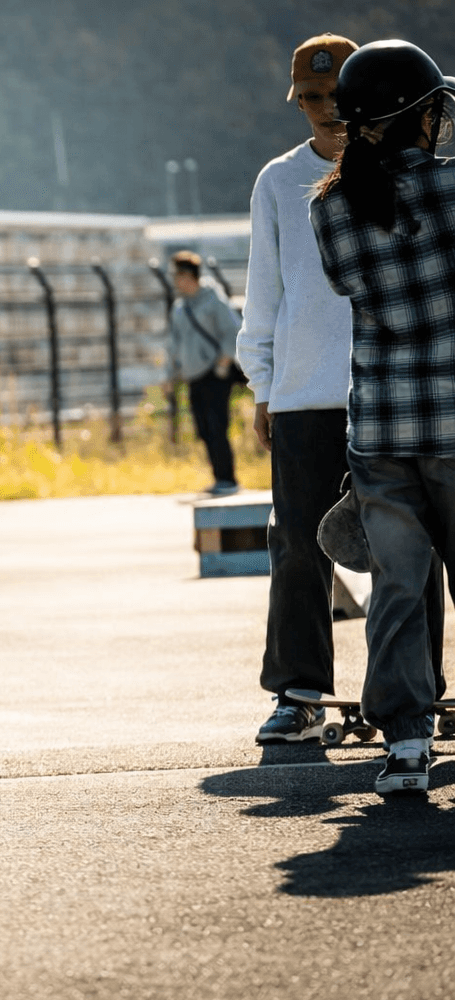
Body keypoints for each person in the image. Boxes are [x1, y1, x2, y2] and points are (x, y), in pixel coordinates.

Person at [310, 39, 455, 794]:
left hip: (381, 431)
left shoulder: (331, 207)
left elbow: (351, 286)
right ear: (418, 115)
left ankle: (405, 745)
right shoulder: (451, 189)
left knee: (399, 589)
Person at [237, 34, 359, 744]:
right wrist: (262, 386)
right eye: (311, 99)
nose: (324, 110)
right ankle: (300, 692)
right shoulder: (278, 181)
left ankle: (414, 691)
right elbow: (266, 293)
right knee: (298, 548)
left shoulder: (405, 171)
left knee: (412, 549)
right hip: (303, 396)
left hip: (388, 391)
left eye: (337, 96)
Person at [168, 250, 243, 497]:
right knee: (203, 428)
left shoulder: (213, 300)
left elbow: (232, 331)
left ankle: (228, 478)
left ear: (188, 275)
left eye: (177, 274)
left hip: (214, 373)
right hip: (193, 376)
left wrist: (222, 364)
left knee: (216, 425)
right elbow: (174, 345)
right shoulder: (179, 308)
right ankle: (218, 477)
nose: (174, 280)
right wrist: (171, 375)